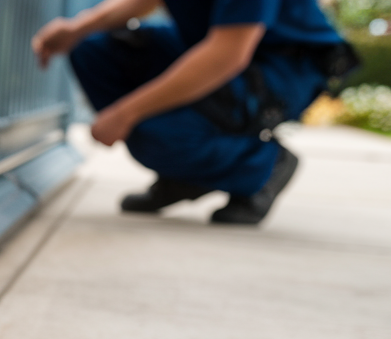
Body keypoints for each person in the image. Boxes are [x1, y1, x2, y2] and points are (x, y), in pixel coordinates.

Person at [32, 0, 355, 224]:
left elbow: (227, 53)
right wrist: (76, 29)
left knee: (154, 133)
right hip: (214, 44)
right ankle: (189, 174)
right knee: (95, 49)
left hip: (279, 66)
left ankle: (262, 165)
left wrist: (125, 113)